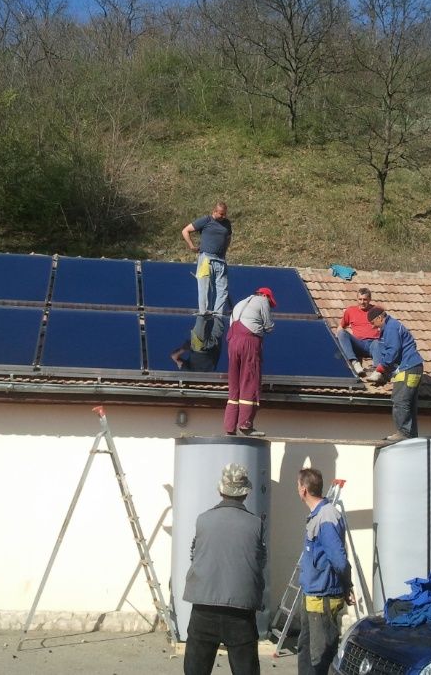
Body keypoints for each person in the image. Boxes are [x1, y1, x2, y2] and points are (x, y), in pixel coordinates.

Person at [183, 463, 266, 675]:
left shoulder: (203, 519)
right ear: (246, 493)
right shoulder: (255, 523)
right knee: (245, 669)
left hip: (204, 607)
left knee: (196, 670)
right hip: (241, 611)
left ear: (221, 490)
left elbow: (194, 555)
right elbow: (260, 562)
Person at [296, 467, 353, 675]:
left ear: (303, 490)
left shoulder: (326, 516)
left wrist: (347, 585)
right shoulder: (318, 514)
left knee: (320, 658)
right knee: (306, 652)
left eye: (298, 485)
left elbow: (339, 559)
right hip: (313, 597)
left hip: (323, 600)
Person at [364, 307, 424, 442]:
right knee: (409, 403)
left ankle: (404, 433)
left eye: (373, 323)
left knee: (400, 400)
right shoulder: (393, 326)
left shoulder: (391, 328)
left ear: (379, 318)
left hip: (407, 368)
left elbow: (393, 350)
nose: (373, 327)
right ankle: (411, 436)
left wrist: (381, 368)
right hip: (414, 368)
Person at [224, 287, 275, 437]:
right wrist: (269, 327)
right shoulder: (262, 300)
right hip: (249, 342)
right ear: (265, 295)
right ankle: (245, 425)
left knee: (234, 384)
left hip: (233, 343)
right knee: (250, 381)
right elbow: (268, 326)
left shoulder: (240, 303)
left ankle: (229, 427)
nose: (270, 305)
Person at [182, 202, 232, 315]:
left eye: (225, 214)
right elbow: (185, 231)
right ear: (214, 211)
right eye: (221, 214)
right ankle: (203, 312)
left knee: (222, 288)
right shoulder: (206, 220)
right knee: (204, 287)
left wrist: (225, 250)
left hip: (220, 260)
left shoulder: (227, 223)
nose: (223, 216)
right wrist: (191, 246)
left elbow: (228, 237)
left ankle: (217, 313)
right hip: (206, 259)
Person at [335, 287, 381, 377]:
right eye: (360, 299)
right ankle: (355, 363)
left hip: (373, 344)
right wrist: (337, 338)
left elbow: (386, 327)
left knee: (378, 342)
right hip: (358, 344)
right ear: (357, 299)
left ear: (370, 299)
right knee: (341, 333)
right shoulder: (350, 311)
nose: (362, 302)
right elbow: (341, 327)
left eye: (365, 299)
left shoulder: (377, 310)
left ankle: (378, 371)